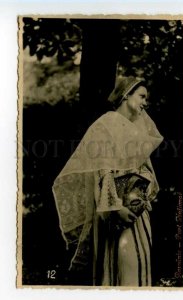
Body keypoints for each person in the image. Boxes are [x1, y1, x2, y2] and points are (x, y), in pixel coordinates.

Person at [52, 76, 163, 286]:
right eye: (141, 96)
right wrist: (116, 208)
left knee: (141, 263)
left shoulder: (135, 129)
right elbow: (102, 172)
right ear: (125, 95)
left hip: (137, 209)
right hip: (112, 210)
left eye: (145, 98)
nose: (145, 102)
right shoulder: (104, 125)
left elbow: (145, 168)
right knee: (122, 264)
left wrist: (141, 194)